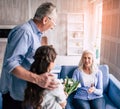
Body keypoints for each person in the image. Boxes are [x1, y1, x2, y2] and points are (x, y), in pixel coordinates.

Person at [0, 2, 58, 109]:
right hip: (15, 96)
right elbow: (11, 63)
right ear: (45, 20)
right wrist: (38, 79)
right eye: (53, 24)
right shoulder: (24, 32)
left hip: (25, 94)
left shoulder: (36, 35)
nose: (52, 27)